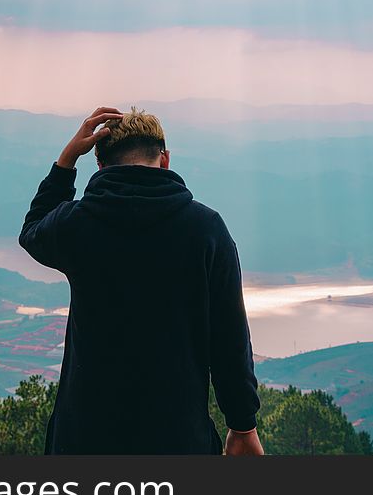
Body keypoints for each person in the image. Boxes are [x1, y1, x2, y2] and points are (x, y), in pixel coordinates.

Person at [19, 106, 263, 455]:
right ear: (164, 160)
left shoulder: (77, 224)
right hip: (178, 435)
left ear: (101, 166)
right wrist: (242, 426)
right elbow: (229, 337)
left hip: (85, 435)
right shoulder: (205, 229)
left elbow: (32, 230)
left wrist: (67, 159)